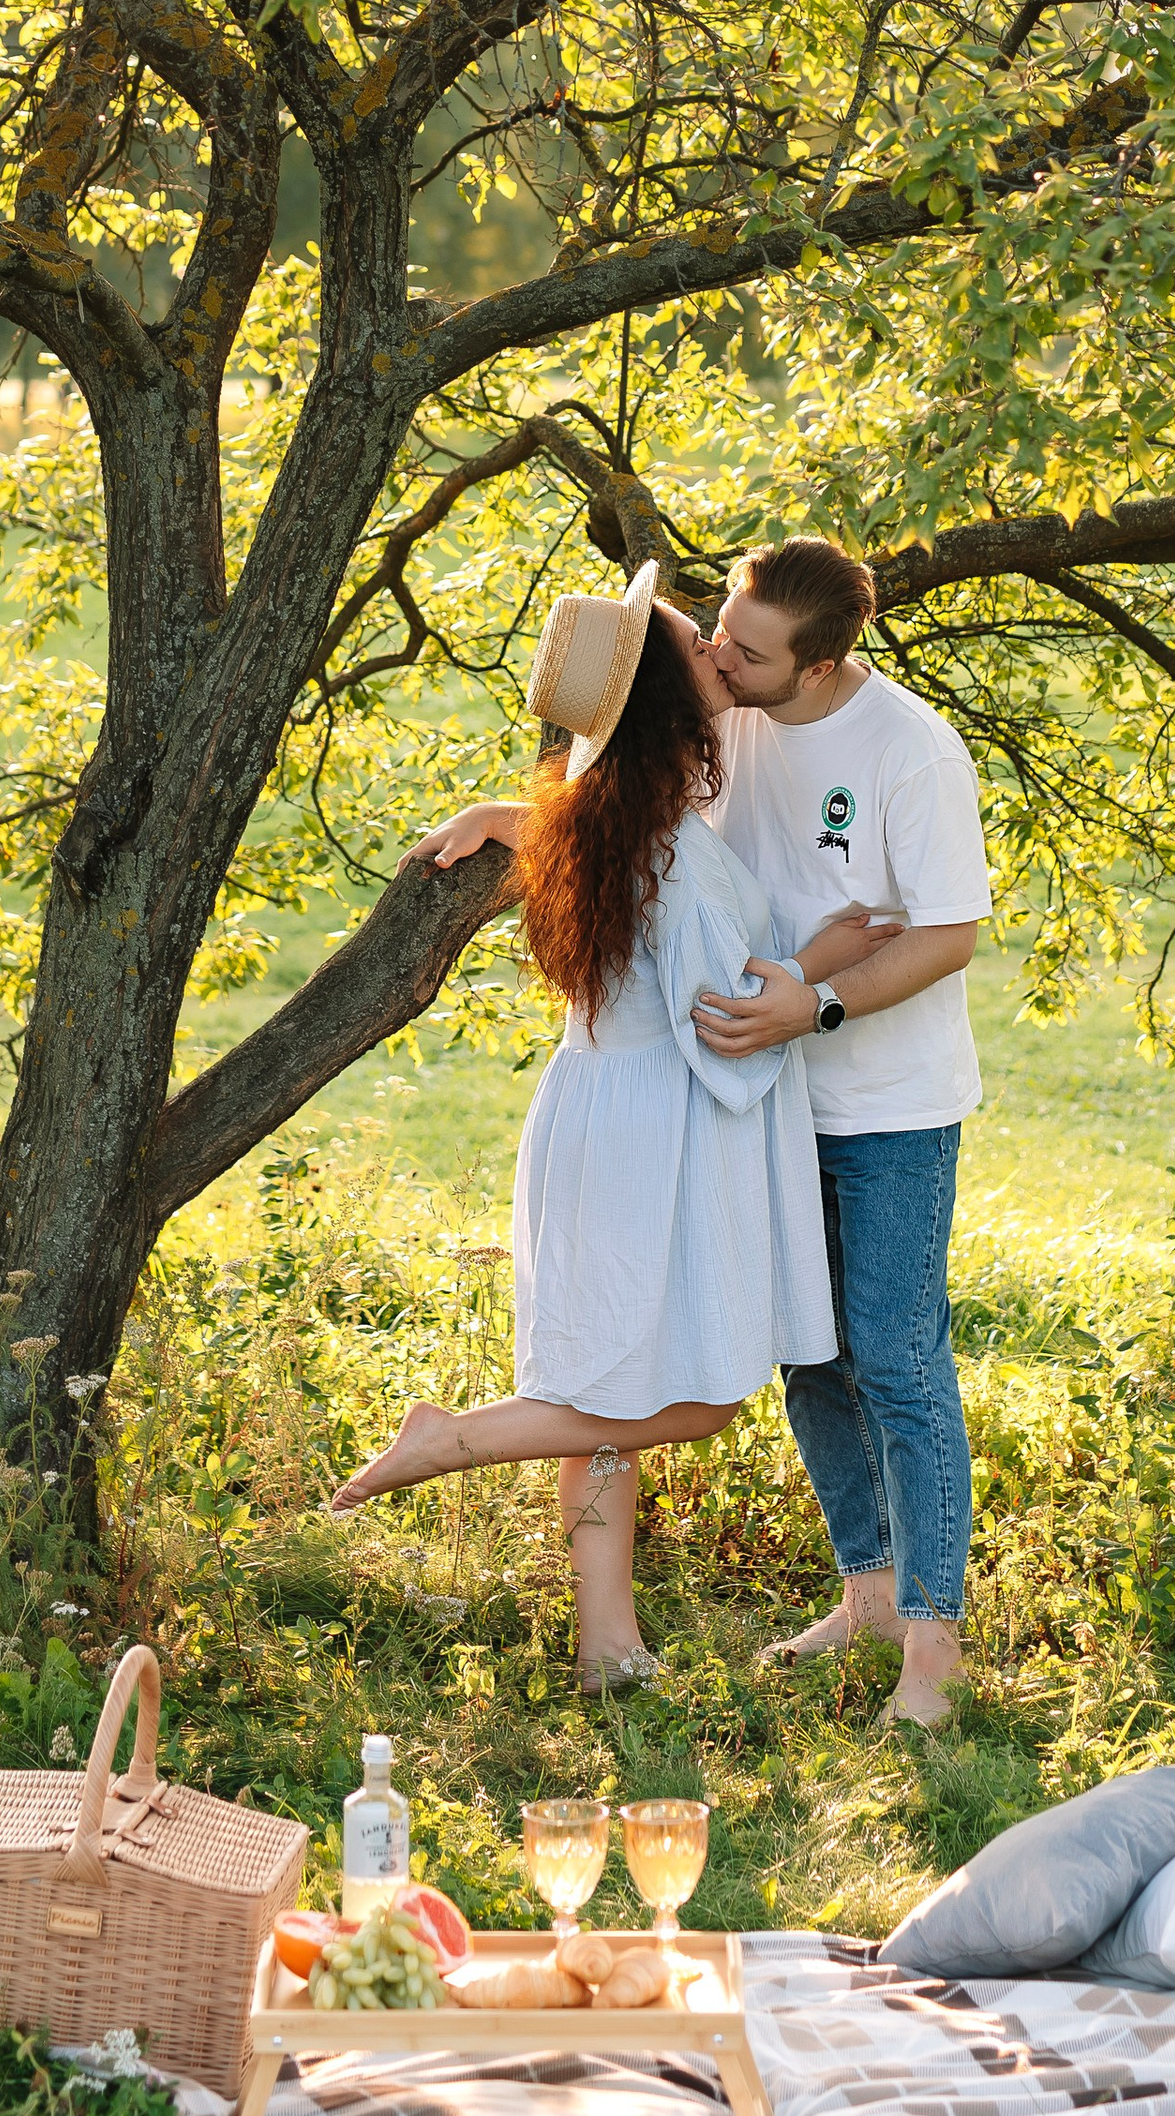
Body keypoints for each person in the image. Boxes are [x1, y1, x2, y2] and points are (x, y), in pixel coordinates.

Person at [413, 538, 994, 1733]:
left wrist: (814, 996)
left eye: (748, 649)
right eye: (716, 633)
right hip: (763, 1108)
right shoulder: (723, 716)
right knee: (811, 1363)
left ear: (822, 661)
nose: (723, 656)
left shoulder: (908, 751)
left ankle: (932, 1647)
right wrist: (515, 814)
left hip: (880, 1101)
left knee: (894, 1357)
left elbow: (944, 935)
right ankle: (869, 1594)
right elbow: (632, 805)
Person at [328, 560, 867, 1698]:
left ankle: (606, 1642)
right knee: (693, 1398)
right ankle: (450, 1437)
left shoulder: (611, 818)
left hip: (597, 1119)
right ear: (668, 701)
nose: (712, 644)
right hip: (649, 1135)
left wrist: (501, 815)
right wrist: (825, 969)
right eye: (690, 637)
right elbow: (728, 1026)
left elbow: (614, 854)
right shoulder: (670, 856)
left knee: (600, 1389)